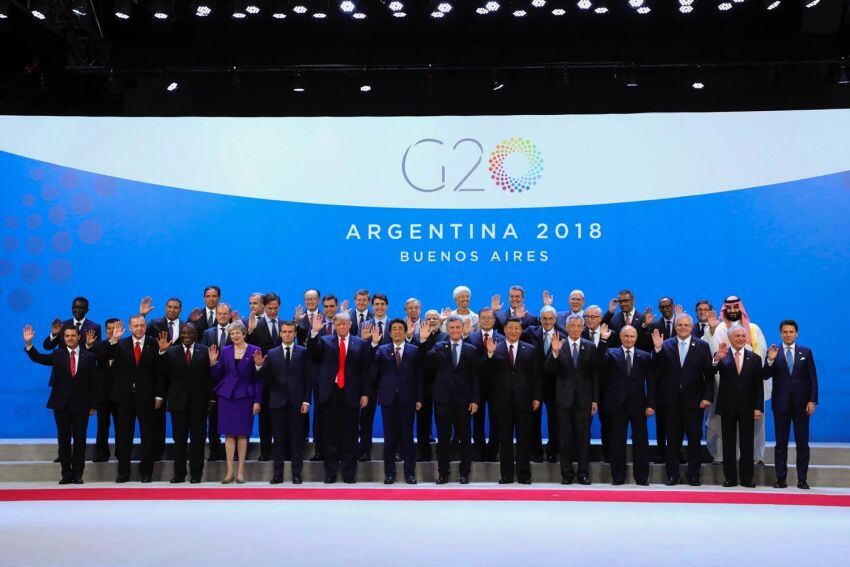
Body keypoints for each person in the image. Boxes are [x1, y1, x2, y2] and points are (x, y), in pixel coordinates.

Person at [24, 324, 97, 484]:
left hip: (81, 405)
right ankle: (66, 474)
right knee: (63, 440)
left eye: (73, 335)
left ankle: (78, 474)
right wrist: (29, 344)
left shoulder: (89, 357)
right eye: (67, 336)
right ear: (63, 339)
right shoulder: (57, 354)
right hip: (61, 404)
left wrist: (93, 405)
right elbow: (38, 358)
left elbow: (93, 383)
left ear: (79, 337)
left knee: (80, 440)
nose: (70, 338)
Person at [307, 312, 371, 483]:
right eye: (338, 324)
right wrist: (313, 332)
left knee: (350, 436)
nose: (342, 327)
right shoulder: (325, 341)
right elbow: (312, 352)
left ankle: (349, 475)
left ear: (350, 324)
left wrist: (365, 393)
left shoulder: (361, 343)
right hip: (330, 393)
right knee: (330, 436)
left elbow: (365, 370)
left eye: (345, 324)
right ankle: (330, 474)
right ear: (334, 326)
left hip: (351, 394)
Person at [651, 315, 714, 486]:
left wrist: (707, 397)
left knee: (694, 440)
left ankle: (693, 474)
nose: (683, 327)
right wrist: (657, 350)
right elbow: (656, 372)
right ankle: (672, 474)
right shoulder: (665, 344)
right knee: (672, 440)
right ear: (676, 326)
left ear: (691, 326)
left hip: (694, 402)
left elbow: (709, 375)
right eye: (680, 324)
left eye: (686, 324)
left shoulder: (702, 346)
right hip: (670, 402)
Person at [706, 296, 769, 464]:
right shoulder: (718, 328)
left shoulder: (754, 328)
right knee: (725, 429)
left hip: (750, 388)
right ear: (725, 309)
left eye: (736, 307)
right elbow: (713, 354)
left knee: (753, 427)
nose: (733, 311)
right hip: (725, 387)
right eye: (729, 308)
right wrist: (711, 332)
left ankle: (755, 457)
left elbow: (761, 355)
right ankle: (724, 458)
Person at [420, 316, 480, 484]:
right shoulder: (439, 347)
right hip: (443, 400)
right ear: (447, 329)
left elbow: (475, 377)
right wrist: (423, 341)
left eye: (457, 327)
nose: (454, 331)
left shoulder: (471, 349)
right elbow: (425, 364)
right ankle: (443, 473)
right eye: (451, 328)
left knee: (465, 438)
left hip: (464, 400)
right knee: (444, 438)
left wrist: (475, 400)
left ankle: (464, 473)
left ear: (462, 329)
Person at [485, 318, 541, 484]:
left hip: (524, 401)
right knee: (505, 439)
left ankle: (524, 475)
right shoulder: (495, 347)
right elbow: (486, 374)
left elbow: (537, 377)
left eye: (517, 328)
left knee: (524, 439)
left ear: (521, 330)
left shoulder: (530, 349)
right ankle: (506, 475)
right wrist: (489, 355)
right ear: (504, 329)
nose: (514, 331)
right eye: (511, 328)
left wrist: (537, 397)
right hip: (502, 401)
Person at [764, 320, 818, 489]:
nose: (788, 334)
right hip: (781, 405)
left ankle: (802, 479)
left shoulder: (806, 352)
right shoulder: (774, 352)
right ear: (780, 333)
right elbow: (765, 375)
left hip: (802, 406)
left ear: (797, 333)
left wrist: (812, 400)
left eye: (791, 332)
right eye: (785, 332)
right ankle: (781, 479)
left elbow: (813, 379)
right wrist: (770, 361)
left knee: (802, 443)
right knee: (781, 443)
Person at [598, 325, 655, 485]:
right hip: (616, 405)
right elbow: (599, 361)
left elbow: (651, 382)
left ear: (636, 338)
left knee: (641, 442)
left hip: (639, 405)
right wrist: (603, 340)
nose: (629, 339)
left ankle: (642, 477)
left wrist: (651, 404)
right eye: (626, 336)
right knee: (617, 442)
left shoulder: (644, 356)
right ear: (620, 337)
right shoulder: (610, 353)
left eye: (632, 336)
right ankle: (618, 477)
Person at [156, 323, 212, 484]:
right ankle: (179, 474)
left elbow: (209, 378)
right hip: (177, 403)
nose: (187, 335)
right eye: (184, 333)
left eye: (190, 332)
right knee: (179, 440)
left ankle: (196, 474)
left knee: (198, 440)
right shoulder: (171, 351)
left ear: (196, 335)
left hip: (199, 404)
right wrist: (161, 352)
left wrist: (211, 399)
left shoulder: (205, 351)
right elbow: (162, 374)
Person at [546, 315, 599, 485]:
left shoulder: (590, 346)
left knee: (584, 438)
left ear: (582, 328)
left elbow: (594, 376)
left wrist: (595, 400)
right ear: (567, 327)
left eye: (578, 326)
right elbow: (548, 371)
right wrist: (554, 352)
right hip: (564, 400)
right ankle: (567, 474)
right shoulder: (558, 344)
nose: (575, 329)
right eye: (572, 326)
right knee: (564, 438)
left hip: (584, 400)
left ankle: (583, 473)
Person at [106, 315, 159, 483]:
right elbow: (103, 356)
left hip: (147, 397)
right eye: (136, 326)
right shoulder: (120, 344)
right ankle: (123, 473)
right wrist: (113, 340)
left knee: (148, 437)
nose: (139, 328)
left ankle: (146, 473)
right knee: (123, 437)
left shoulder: (154, 343)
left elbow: (160, 372)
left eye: (142, 325)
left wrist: (159, 395)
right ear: (130, 327)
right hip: (124, 398)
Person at [257, 321, 310, 484]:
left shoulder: (303, 352)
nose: (287, 334)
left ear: (295, 334)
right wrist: (259, 367)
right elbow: (266, 380)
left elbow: (308, 379)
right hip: (277, 403)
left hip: (297, 402)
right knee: (278, 440)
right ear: (280, 334)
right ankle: (278, 474)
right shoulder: (271, 353)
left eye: (290, 332)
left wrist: (306, 401)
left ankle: (296, 474)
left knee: (296, 440)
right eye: (284, 332)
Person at [210, 320, 262, 484]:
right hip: (227, 397)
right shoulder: (225, 351)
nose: (234, 336)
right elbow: (218, 375)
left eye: (237, 333)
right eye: (232, 334)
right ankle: (229, 472)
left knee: (242, 434)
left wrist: (257, 400)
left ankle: (240, 472)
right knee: (229, 434)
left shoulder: (255, 350)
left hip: (246, 397)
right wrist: (213, 363)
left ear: (243, 333)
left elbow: (258, 379)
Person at [372, 319, 423, 484]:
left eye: (400, 329)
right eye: (394, 329)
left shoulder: (414, 350)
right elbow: (373, 370)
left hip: (408, 399)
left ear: (405, 331)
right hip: (388, 399)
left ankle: (410, 473)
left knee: (407, 437)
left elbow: (419, 377)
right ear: (390, 332)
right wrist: (373, 344)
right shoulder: (382, 350)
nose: (397, 332)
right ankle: (389, 473)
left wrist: (419, 398)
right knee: (390, 438)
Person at [713, 327, 764, 488]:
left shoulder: (755, 358)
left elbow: (758, 386)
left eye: (743, 335)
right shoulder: (722, 355)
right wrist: (716, 360)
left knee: (747, 444)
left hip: (748, 408)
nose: (741, 338)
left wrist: (758, 408)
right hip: (727, 406)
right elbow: (709, 371)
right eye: (737, 335)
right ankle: (730, 478)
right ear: (730, 338)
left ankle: (747, 478)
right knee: (728, 444)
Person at [521, 305, 564, 463]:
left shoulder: (562, 335)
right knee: (534, 419)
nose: (547, 321)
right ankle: (536, 451)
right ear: (540, 319)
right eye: (544, 318)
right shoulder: (530, 332)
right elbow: (513, 330)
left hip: (555, 385)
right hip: (533, 384)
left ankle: (553, 451)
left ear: (555, 319)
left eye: (550, 318)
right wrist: (520, 317)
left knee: (555, 420)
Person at [247, 292, 282, 462]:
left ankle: (282, 451)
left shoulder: (285, 324)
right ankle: (265, 451)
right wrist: (250, 332)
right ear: (264, 307)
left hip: (283, 379)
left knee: (282, 418)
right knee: (265, 418)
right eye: (270, 308)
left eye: (276, 308)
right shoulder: (256, 325)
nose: (273, 311)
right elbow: (251, 348)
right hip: (264, 378)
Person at [465, 306, 503, 462]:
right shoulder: (471, 337)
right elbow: (469, 361)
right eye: (484, 318)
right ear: (479, 320)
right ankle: (479, 451)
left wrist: (492, 355)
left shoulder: (502, 338)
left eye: (489, 318)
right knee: (477, 419)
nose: (486, 320)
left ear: (494, 321)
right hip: (476, 385)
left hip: (497, 386)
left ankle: (492, 452)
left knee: (496, 419)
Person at [358, 292, 392, 462]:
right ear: (372, 306)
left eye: (382, 304)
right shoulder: (365, 325)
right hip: (369, 376)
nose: (379, 307)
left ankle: (395, 451)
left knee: (393, 416)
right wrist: (364, 340)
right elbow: (359, 352)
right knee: (366, 416)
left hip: (389, 376)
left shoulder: (395, 324)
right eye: (376, 304)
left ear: (387, 306)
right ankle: (364, 451)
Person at [200, 302, 233, 462]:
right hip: (213, 383)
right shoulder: (207, 333)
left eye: (225, 314)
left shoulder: (237, 331)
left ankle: (234, 453)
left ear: (230, 315)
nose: (222, 316)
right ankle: (214, 451)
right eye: (219, 313)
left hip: (232, 382)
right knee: (213, 420)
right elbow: (202, 356)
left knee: (232, 418)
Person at [413, 309, 447, 461]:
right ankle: (423, 454)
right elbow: (416, 359)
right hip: (423, 385)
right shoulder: (416, 337)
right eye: (429, 318)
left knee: (443, 421)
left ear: (440, 321)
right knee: (422, 421)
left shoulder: (446, 336)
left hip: (442, 384)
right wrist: (422, 341)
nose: (432, 320)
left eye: (435, 318)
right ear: (424, 321)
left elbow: (440, 359)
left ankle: (444, 454)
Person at [89, 317, 120, 462]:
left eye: (115, 328)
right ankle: (101, 453)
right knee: (103, 425)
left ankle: (121, 453)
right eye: (109, 328)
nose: (112, 331)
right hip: (103, 394)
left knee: (122, 426)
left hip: (121, 394)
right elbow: (101, 357)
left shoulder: (126, 346)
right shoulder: (98, 346)